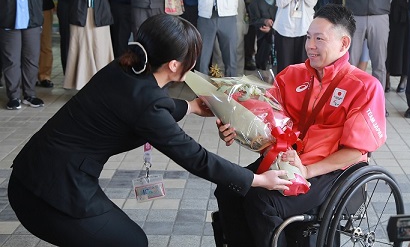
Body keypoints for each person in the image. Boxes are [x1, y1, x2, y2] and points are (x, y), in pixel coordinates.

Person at [7, 14, 291, 247]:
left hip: (33, 172)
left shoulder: (125, 68)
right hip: (49, 193)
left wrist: (191, 107)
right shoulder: (146, 103)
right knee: (130, 242)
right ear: (175, 65)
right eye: (193, 57)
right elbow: (196, 157)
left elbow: (147, 104)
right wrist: (257, 179)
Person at [214, 4, 387, 247]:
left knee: (260, 201)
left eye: (319, 39)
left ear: (344, 44)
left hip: (328, 170)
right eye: (308, 37)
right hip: (286, 159)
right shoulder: (291, 75)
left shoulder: (364, 86)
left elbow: (356, 151)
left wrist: (307, 171)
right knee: (230, 187)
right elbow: (264, 122)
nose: (310, 45)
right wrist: (236, 128)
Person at [0, 0, 52, 109]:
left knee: (31, 59)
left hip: (31, 21)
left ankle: (30, 94)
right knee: (12, 60)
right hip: (9, 21)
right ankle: (14, 96)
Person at [385, 0, 410, 93]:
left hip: (405, 19)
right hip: (389, 17)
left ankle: (404, 79)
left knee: (405, 48)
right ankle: (386, 78)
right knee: (388, 48)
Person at [247, 0, 277, 72]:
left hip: (278, 34)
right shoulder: (255, 0)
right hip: (261, 35)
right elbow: (253, 19)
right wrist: (264, 21)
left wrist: (272, 28)